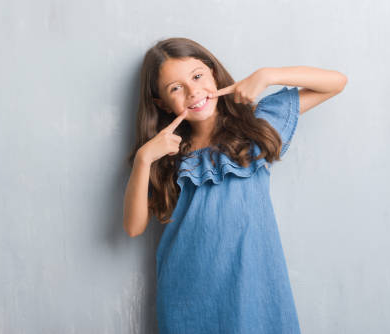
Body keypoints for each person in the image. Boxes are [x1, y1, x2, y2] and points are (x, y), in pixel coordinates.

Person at [122, 37, 347, 333]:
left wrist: (268, 75)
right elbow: (133, 227)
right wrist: (143, 158)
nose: (193, 91)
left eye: (198, 76)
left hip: (255, 286)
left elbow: (336, 82)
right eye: (176, 88)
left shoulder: (255, 125)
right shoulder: (168, 153)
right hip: (188, 293)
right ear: (162, 104)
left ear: (214, 73)